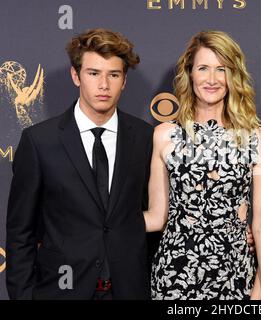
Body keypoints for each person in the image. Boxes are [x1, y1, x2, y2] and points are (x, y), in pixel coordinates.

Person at [6, 28, 153, 299]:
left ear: (124, 81)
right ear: (76, 76)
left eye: (114, 75)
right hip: (61, 292)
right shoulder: (40, 141)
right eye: (93, 73)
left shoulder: (144, 138)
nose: (104, 85)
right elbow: (20, 232)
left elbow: (152, 217)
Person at [144, 30, 261, 300]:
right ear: (190, 73)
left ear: (233, 76)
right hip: (175, 274)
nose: (212, 79)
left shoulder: (258, 139)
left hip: (235, 275)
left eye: (221, 69)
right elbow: (157, 217)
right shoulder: (165, 136)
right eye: (203, 68)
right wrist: (98, 222)